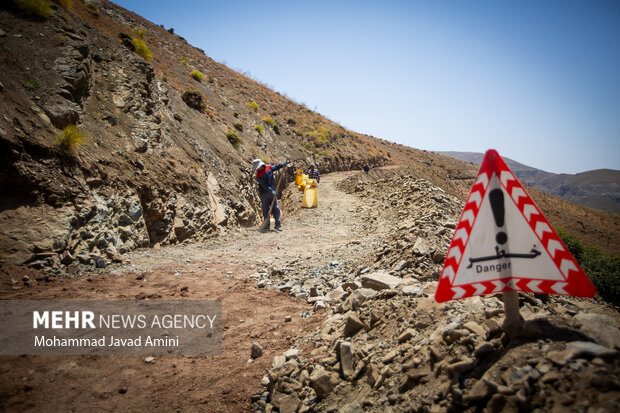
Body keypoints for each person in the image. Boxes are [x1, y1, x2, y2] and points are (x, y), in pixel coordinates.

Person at [252, 159, 288, 231]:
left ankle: (277, 224)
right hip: (264, 193)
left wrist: (282, 164)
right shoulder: (258, 175)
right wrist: (272, 191)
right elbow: (264, 185)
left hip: (272, 193)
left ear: (261, 166)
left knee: (276, 208)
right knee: (266, 209)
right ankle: (267, 226)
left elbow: (276, 167)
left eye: (258, 167)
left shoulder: (269, 167)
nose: (257, 169)